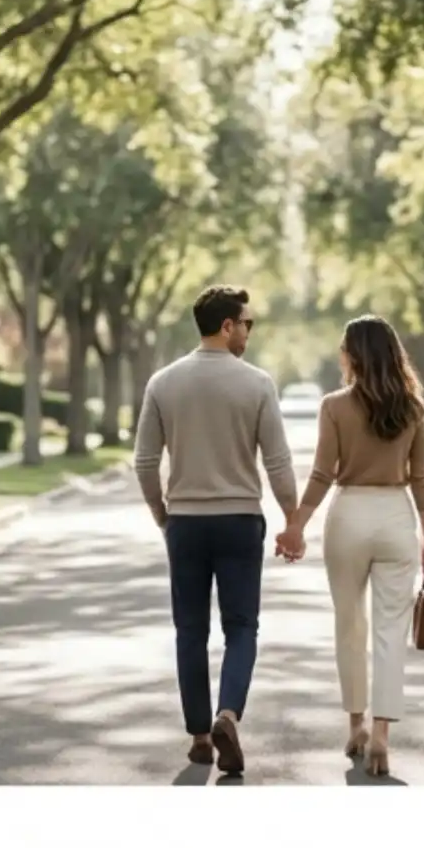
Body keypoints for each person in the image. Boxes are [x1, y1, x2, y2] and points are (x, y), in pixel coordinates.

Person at [133, 285, 299, 777]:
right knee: (241, 627)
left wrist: (163, 515)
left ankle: (201, 737)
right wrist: (294, 520)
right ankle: (228, 712)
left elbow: (145, 462)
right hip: (239, 521)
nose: (250, 330)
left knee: (189, 630)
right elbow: (278, 463)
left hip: (185, 523)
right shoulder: (257, 384)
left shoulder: (163, 383)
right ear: (226, 326)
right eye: (247, 322)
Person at [275, 315, 424, 778]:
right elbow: (421, 477)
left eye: (343, 348)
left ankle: (356, 727)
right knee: (390, 632)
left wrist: (297, 526)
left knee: (350, 625)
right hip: (396, 517)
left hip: (348, 518)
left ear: (354, 355)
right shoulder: (414, 408)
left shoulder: (335, 406)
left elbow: (323, 473)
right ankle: (383, 736)